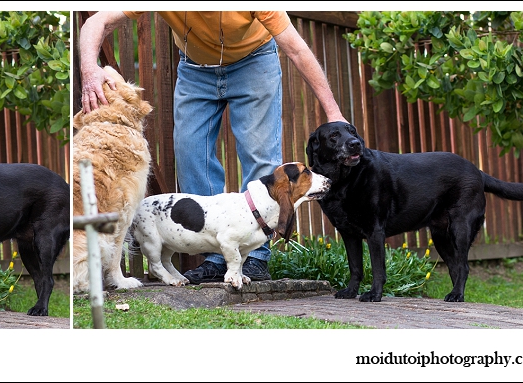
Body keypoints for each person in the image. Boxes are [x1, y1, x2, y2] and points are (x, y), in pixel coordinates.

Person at [78, 11, 348, 284]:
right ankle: (217, 257)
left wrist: (333, 111)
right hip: (195, 68)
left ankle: (255, 257)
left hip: (254, 60)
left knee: (260, 157)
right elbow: (96, 21)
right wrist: (90, 71)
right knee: (190, 156)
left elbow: (298, 50)